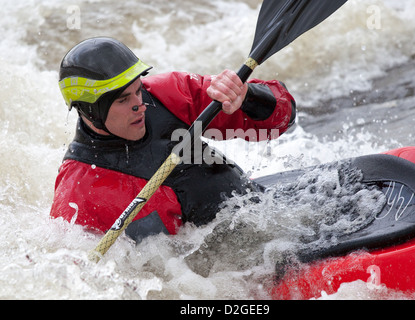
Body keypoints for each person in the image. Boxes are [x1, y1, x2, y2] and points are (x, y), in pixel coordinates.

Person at [50, 37, 296, 242]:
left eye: (138, 90)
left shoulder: (168, 93)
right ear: (90, 111)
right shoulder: (77, 195)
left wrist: (249, 96)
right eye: (123, 100)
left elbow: (282, 119)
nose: (140, 105)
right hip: (222, 273)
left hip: (268, 212)